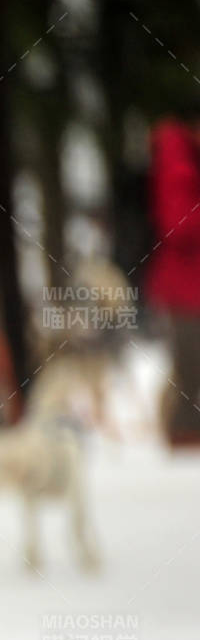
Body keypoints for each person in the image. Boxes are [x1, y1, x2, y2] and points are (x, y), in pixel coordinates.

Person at [146, 113, 200, 447]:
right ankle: (183, 432)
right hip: (185, 289)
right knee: (191, 366)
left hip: (189, 286)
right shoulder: (177, 162)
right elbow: (177, 224)